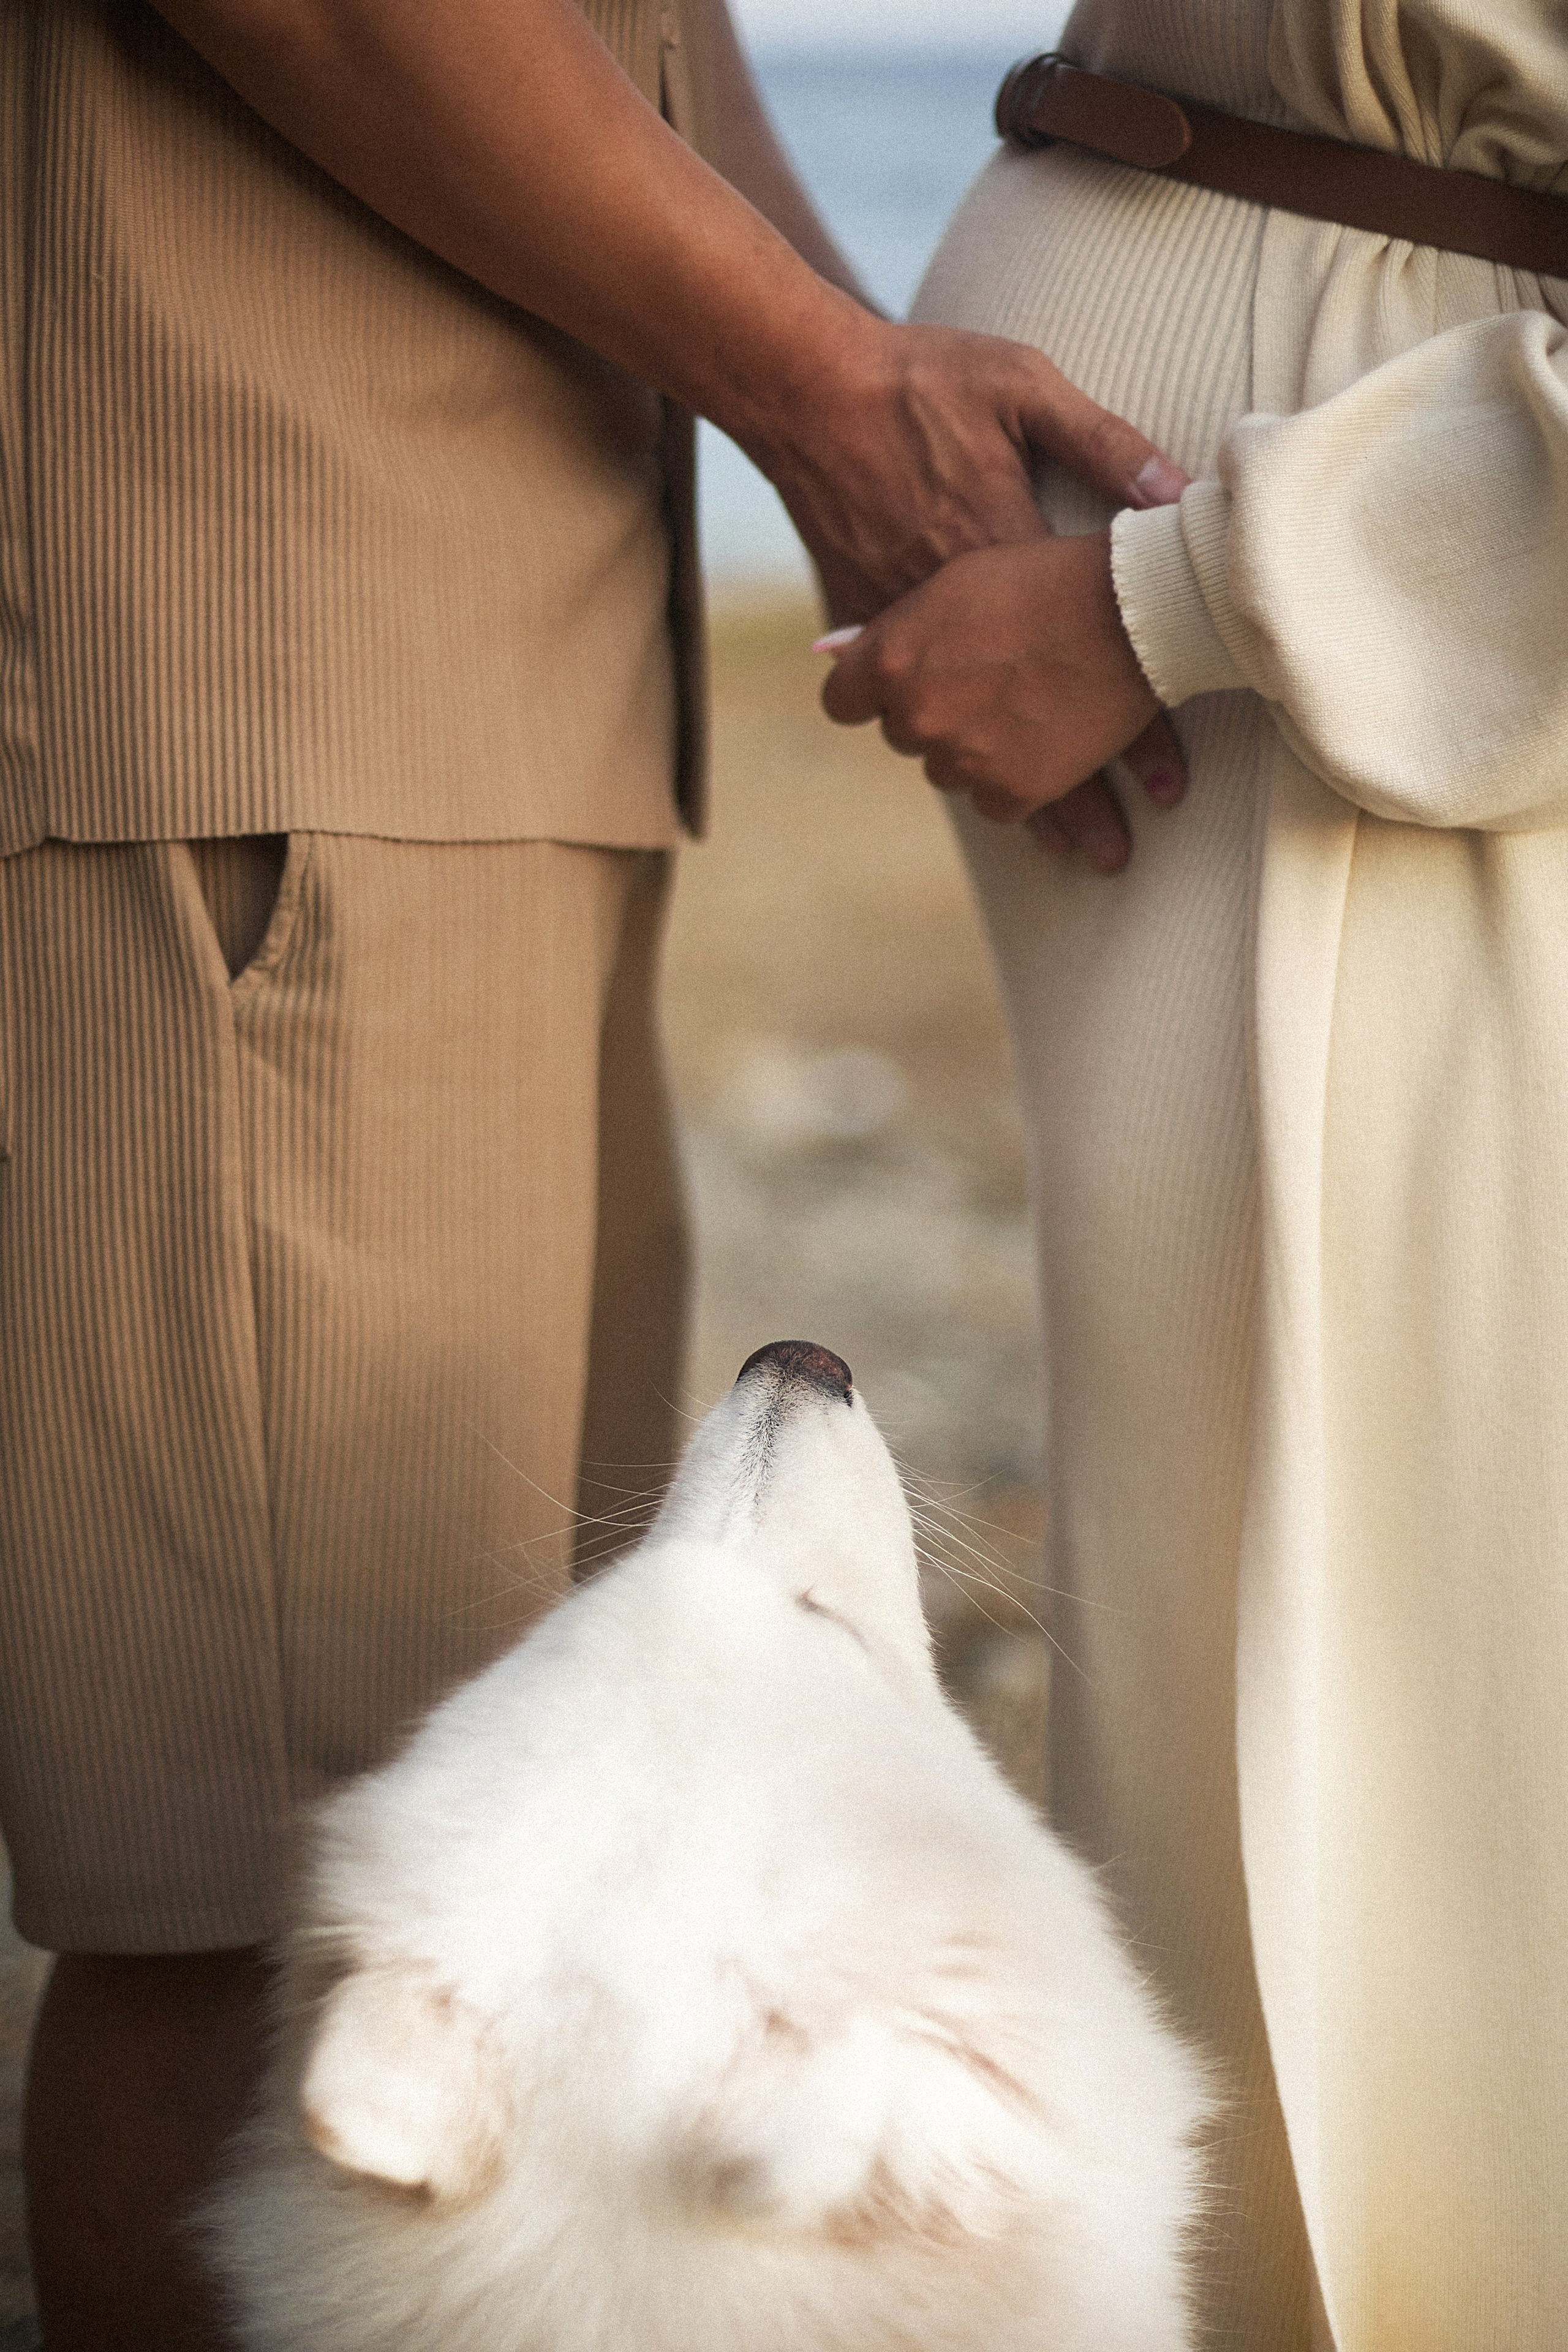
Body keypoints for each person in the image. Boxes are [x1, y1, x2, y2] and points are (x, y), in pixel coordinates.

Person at [0, 3, 1193, 2345]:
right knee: (269, 1888)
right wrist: (836, 396)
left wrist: (872, 402)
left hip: (487, 646)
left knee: (491, 1775)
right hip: (269, 644)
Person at [821, 2, 1568, 2346]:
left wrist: (1188, 602)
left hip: (1394, 647)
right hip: (1293, 646)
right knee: (1261, 1682)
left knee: (1449, 1741)